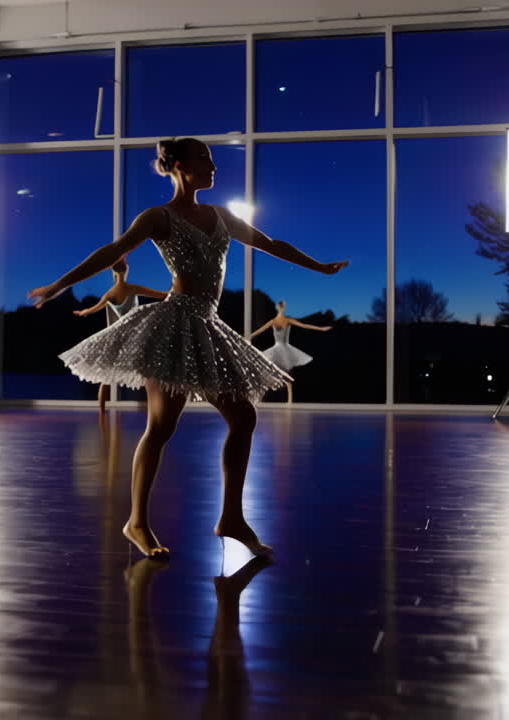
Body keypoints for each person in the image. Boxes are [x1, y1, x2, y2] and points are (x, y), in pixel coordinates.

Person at [28, 137, 348, 560]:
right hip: (174, 323)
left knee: (243, 415)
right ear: (179, 166)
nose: (213, 167)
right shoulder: (158, 217)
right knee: (162, 426)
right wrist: (57, 286)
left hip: (208, 323)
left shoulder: (222, 216)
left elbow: (272, 244)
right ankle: (136, 522)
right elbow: (112, 250)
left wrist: (319, 266)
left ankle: (231, 517)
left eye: (213, 160)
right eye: (204, 159)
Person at [73, 258, 169, 413]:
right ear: (126, 270)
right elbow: (161, 295)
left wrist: (82, 312)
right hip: (133, 336)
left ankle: (102, 412)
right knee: (147, 374)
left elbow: (92, 309)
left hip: (117, 337)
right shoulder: (132, 288)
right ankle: (155, 409)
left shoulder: (110, 294)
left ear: (113, 272)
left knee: (107, 378)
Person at [249, 299, 332, 404]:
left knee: (281, 374)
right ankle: (284, 399)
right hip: (281, 349)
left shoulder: (279, 321)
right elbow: (260, 331)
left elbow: (259, 331)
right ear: (281, 308)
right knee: (281, 374)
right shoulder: (280, 321)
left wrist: (320, 329)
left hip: (281, 349)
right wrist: (321, 328)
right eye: (283, 306)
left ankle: (288, 400)